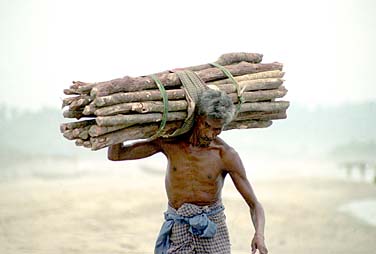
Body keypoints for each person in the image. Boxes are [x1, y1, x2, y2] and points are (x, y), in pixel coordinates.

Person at [108, 89, 268, 254]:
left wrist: (259, 235)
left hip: (212, 229)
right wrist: (120, 124)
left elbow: (255, 205)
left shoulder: (225, 155)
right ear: (199, 119)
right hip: (178, 229)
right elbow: (117, 155)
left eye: (217, 129)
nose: (210, 134)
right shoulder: (171, 143)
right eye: (207, 125)